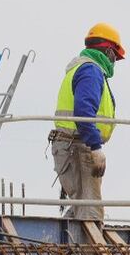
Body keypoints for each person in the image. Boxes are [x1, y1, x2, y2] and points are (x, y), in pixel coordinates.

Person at [50, 22, 125, 220]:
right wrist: (95, 147)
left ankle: (64, 245)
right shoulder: (91, 71)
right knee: (89, 212)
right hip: (78, 146)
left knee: (80, 208)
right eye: (115, 57)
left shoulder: (82, 69)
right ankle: (89, 251)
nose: (114, 61)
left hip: (70, 145)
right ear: (109, 51)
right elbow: (83, 112)